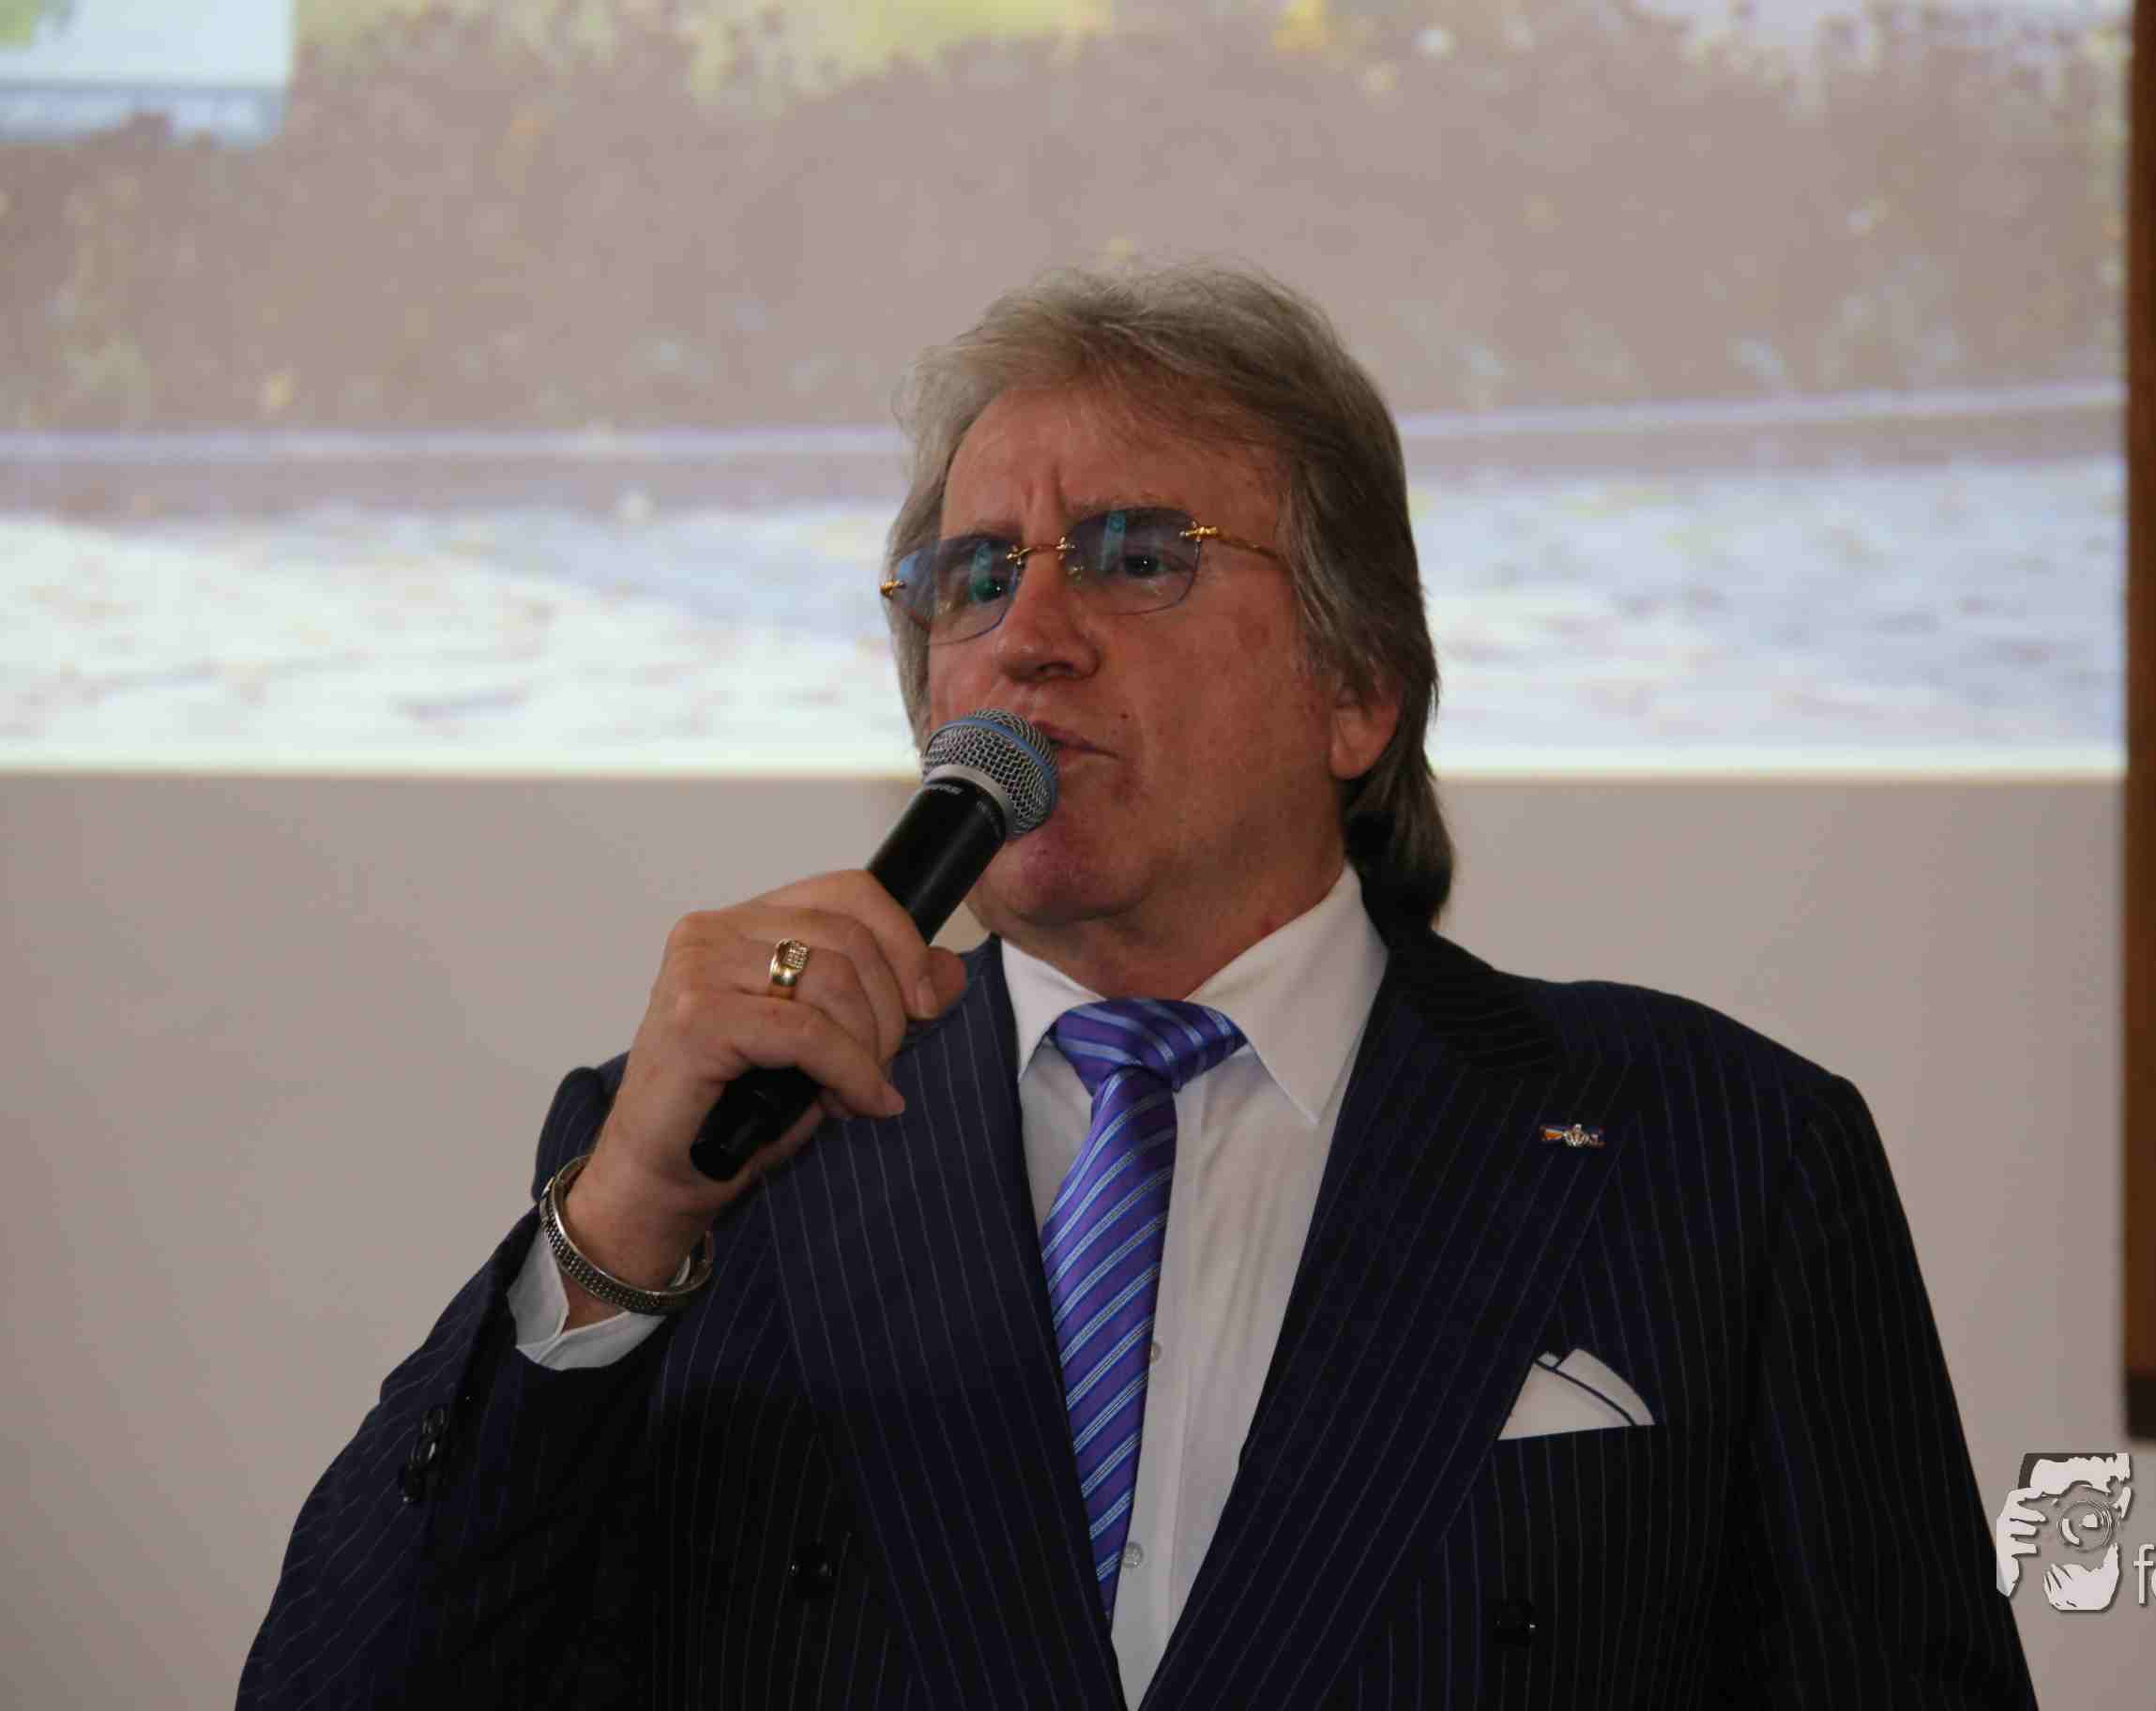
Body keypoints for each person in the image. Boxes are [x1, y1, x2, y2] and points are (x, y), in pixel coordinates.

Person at [239, 264, 2037, 1709]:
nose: (1029, 635)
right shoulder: (718, 1155)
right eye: (973, 578)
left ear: (1359, 686)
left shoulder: (1721, 1153)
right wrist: (622, 1221)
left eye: (1133, 555)